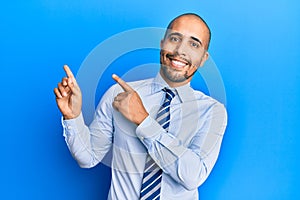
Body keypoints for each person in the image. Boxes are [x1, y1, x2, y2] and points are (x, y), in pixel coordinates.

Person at [54, 13, 227, 200]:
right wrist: (73, 117)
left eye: (194, 44)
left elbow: (192, 176)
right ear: (162, 44)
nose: (180, 51)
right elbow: (88, 158)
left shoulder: (212, 112)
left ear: (203, 58)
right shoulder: (117, 94)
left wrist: (144, 121)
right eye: (175, 38)